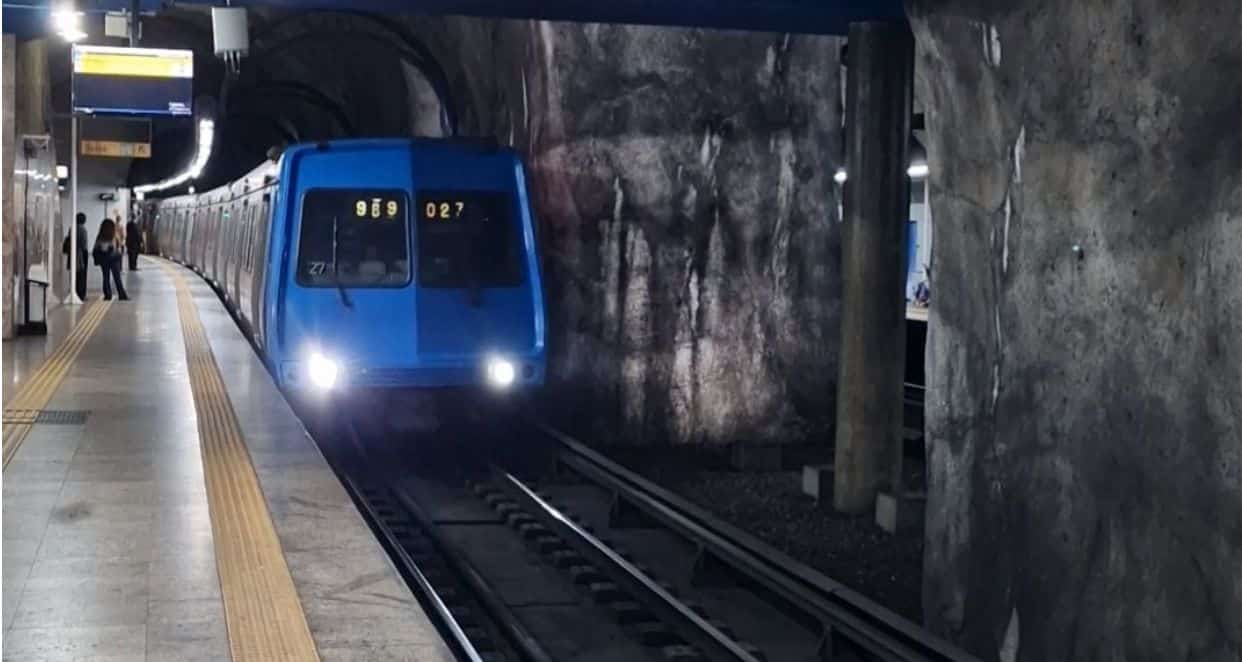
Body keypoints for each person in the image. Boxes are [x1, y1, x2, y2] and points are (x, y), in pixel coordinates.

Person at [92, 218, 129, 301]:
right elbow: (118, 245)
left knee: (105, 277)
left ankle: (107, 295)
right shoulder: (113, 235)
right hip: (113, 259)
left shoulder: (100, 236)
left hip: (103, 259)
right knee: (117, 277)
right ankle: (122, 295)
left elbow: (95, 247)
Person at [62, 212, 89, 301]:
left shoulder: (72, 228)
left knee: (73, 274)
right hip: (80, 255)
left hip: (72, 253)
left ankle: (74, 291)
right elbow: (84, 245)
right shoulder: (83, 230)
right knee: (82, 275)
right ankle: (81, 294)